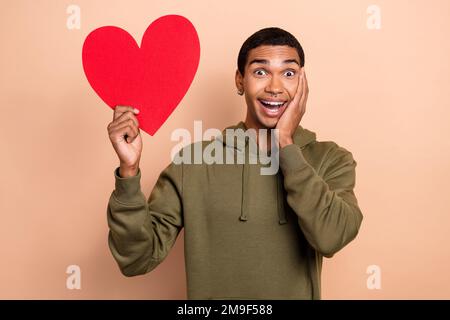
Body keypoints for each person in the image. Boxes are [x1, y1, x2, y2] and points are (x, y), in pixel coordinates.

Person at [106, 27, 363, 299]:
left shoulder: (331, 159)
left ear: (303, 84)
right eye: (260, 72)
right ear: (240, 81)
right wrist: (129, 171)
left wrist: (285, 143)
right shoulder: (192, 163)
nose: (275, 87)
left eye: (289, 73)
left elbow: (332, 237)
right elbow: (137, 258)